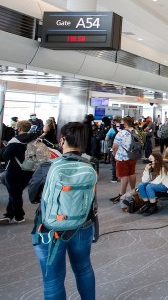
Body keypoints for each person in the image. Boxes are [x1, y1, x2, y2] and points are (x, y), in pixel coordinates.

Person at [31, 122, 97, 299]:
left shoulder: (48, 166)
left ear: (62, 140)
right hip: (83, 222)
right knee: (83, 268)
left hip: (51, 228)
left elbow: (32, 195)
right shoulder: (92, 163)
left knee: (53, 279)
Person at [0, 120, 36, 224]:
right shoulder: (34, 139)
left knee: (14, 194)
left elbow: (6, 156)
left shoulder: (15, 141)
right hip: (29, 170)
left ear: (19, 129)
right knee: (16, 192)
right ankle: (9, 215)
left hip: (14, 170)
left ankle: (19, 216)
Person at [111, 116, 139, 205]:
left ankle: (121, 194)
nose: (121, 124)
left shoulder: (121, 133)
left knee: (124, 176)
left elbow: (115, 146)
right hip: (133, 156)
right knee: (132, 173)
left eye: (122, 123)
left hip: (122, 157)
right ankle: (133, 191)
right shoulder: (136, 131)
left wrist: (114, 154)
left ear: (126, 124)